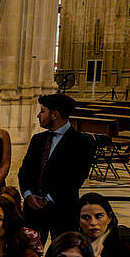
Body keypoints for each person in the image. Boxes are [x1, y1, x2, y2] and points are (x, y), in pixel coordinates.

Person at [17, 91, 95, 240]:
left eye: (42, 111)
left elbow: (75, 177)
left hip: (63, 209)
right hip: (33, 209)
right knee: (28, 254)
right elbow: (24, 171)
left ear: (54, 115)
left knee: (63, 253)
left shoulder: (81, 142)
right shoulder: (38, 139)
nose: (38, 115)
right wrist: (27, 195)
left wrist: (48, 198)